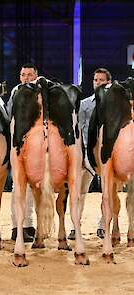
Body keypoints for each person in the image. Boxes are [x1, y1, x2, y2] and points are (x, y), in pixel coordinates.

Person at [68, 67, 112, 240]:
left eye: (101, 80)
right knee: (79, 192)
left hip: (109, 156)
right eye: (95, 80)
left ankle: (103, 226)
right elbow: (78, 130)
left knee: (108, 193)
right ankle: (75, 226)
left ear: (108, 82)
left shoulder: (115, 105)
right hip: (86, 154)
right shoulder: (85, 104)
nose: (98, 83)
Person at [9, 63, 38, 242]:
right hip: (19, 143)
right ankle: (16, 226)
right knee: (18, 186)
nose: (26, 78)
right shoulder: (16, 92)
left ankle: (29, 224)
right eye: (23, 75)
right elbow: (9, 114)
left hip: (36, 145)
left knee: (34, 186)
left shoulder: (40, 92)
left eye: (29, 75)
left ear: (36, 76)